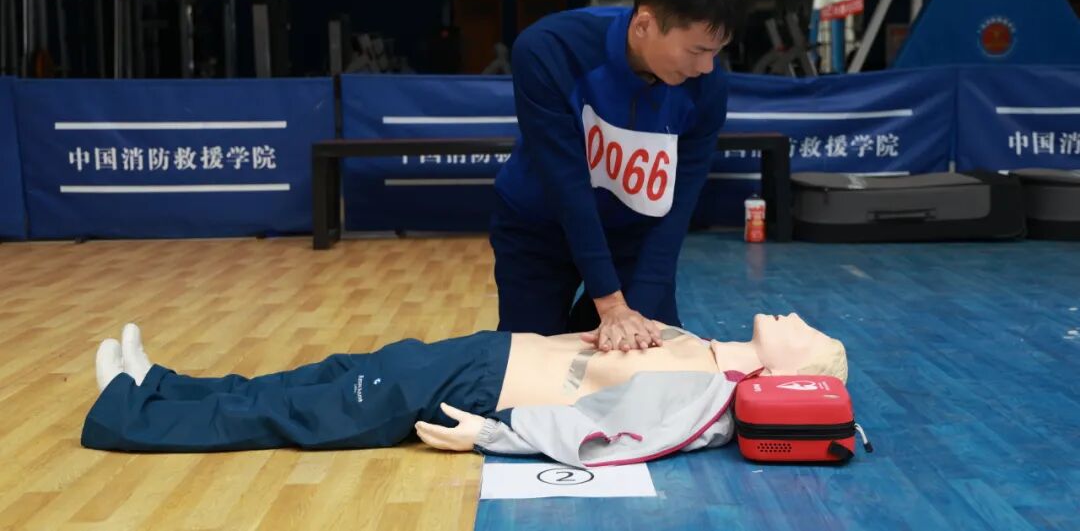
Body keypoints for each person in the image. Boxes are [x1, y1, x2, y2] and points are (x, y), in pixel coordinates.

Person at [82, 314, 845, 468]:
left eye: (806, 333)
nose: (795, 317)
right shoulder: (706, 349)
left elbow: (608, 434)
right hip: (487, 351)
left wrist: (491, 435)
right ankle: (159, 384)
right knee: (325, 375)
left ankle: (124, 412)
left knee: (305, 410)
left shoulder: (707, 395)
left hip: (479, 386)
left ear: (790, 377)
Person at [491, 0, 752, 352]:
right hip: (540, 226)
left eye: (717, 52)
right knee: (532, 358)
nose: (706, 67)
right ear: (644, 24)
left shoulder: (707, 86)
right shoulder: (549, 50)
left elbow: (678, 204)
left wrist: (640, 309)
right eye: (698, 50)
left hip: (634, 235)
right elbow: (566, 184)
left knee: (646, 353)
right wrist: (610, 304)